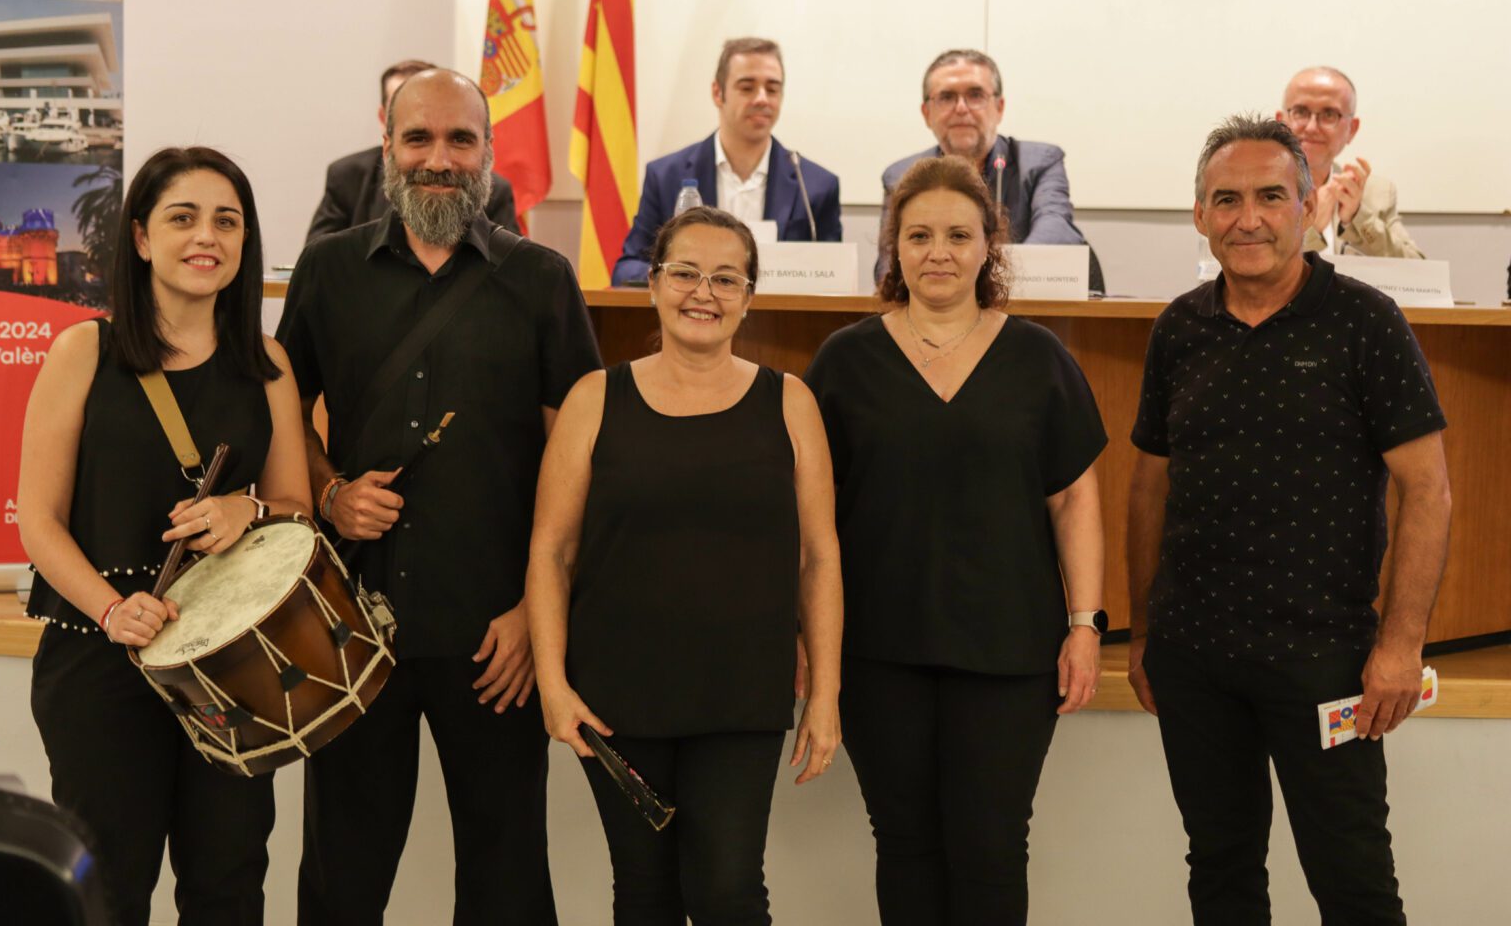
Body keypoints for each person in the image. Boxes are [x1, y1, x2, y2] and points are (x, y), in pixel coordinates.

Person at [278, 68, 600, 925]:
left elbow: (579, 460)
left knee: (506, 884)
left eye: (461, 139)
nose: (440, 158)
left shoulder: (542, 279)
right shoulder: (327, 270)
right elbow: (280, 421)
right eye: (418, 138)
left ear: (488, 153)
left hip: (496, 639)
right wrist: (330, 492)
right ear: (386, 146)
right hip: (352, 631)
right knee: (341, 882)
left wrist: (534, 612)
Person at [1126, 115, 1452, 925]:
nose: (1249, 219)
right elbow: (1148, 490)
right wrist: (1143, 635)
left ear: (1308, 207)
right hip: (1195, 656)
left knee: (1354, 881)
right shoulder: (1179, 330)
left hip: (1327, 663)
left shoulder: (1366, 323)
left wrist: (1402, 646)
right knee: (1221, 872)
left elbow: (1428, 491)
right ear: (1199, 216)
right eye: (1226, 200)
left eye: (1271, 196)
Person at [804, 155, 1107, 925]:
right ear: (894, 247)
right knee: (905, 845)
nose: (938, 252)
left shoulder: (1039, 357)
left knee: (991, 847)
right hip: (878, 651)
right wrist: (808, 637)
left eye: (957, 235)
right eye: (919, 236)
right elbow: (811, 521)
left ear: (987, 246)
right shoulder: (844, 361)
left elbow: (1075, 499)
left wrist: (1085, 624)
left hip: (1009, 653)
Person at [17, 146, 310, 925]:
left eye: (227, 221)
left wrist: (248, 511)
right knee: (110, 893)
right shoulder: (84, 351)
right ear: (142, 238)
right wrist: (113, 609)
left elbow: (297, 509)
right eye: (184, 217)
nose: (206, 236)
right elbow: (37, 520)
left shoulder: (268, 364)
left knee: (229, 883)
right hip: (99, 659)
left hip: (231, 664)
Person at [526, 205, 843, 925]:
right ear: (652, 284)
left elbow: (820, 557)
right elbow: (551, 550)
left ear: (749, 297)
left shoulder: (790, 402)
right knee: (645, 896)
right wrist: (552, 683)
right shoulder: (594, 398)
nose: (704, 292)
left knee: (728, 893)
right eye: (686, 273)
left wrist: (825, 693)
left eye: (726, 279)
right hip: (617, 694)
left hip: (743, 692)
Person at [610, 38, 842, 285]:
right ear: (717, 93)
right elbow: (627, 269)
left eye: (772, 89)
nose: (762, 98)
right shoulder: (666, 176)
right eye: (747, 87)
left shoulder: (816, 186)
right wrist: (679, 277)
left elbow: (836, 276)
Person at [878, 49, 1086, 283]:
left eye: (975, 95)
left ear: (999, 107)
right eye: (946, 97)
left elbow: (1056, 234)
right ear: (927, 113)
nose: (961, 108)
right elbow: (889, 266)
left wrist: (982, 281)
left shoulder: (1039, 163)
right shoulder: (900, 175)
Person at [306, 59, 518, 242]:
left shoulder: (495, 191)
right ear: (385, 120)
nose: (437, 163)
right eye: (419, 138)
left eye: (459, 139)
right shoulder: (347, 177)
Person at [1276, 66, 1424, 258]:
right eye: (1301, 112)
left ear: (1352, 130)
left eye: (1329, 115)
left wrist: (1358, 217)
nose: (1312, 127)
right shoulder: (1253, 190)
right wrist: (1311, 230)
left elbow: (1418, 268)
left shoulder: (1373, 192)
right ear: (1280, 123)